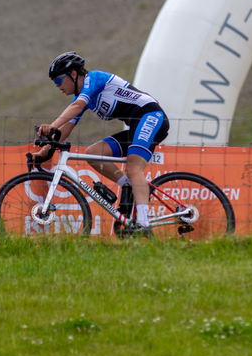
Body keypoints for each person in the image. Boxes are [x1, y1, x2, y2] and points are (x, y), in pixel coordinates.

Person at [32, 51, 169, 229]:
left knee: (134, 167)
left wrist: (51, 126)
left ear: (73, 74)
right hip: (136, 126)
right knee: (93, 154)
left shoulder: (93, 78)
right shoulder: (82, 98)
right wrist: (43, 152)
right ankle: (129, 186)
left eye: (58, 80)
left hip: (151, 116)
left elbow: (75, 108)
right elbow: (66, 129)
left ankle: (143, 223)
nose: (58, 86)